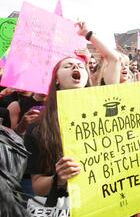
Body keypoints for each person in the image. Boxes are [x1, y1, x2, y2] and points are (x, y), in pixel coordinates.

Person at [24, 21, 120, 200]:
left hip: (100, 200)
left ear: (86, 78)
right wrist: (59, 179)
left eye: (81, 67)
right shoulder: (38, 127)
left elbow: (114, 59)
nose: (76, 67)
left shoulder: (102, 107)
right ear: (57, 79)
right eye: (68, 66)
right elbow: (37, 186)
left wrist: (87, 34)